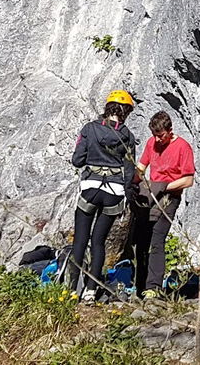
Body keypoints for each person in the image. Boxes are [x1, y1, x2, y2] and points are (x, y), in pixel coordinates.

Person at [68, 90, 139, 301]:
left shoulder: (90, 129)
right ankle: (91, 290)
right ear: (125, 111)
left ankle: (71, 289)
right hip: (114, 192)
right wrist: (127, 195)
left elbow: (77, 160)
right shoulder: (127, 136)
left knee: (80, 240)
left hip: (90, 187)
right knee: (98, 242)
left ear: (108, 107)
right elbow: (129, 169)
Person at [125, 111, 195, 297]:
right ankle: (140, 286)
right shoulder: (151, 143)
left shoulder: (183, 147)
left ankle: (153, 288)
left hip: (169, 197)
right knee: (141, 241)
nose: (157, 139)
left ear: (170, 131)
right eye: (154, 135)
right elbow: (141, 168)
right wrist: (132, 183)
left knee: (157, 240)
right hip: (150, 195)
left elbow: (188, 180)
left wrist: (163, 187)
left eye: (161, 136)